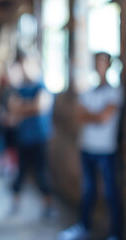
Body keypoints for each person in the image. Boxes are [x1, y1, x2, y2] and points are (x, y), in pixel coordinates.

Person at [58, 52, 123, 240]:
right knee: (88, 191)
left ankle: (116, 233)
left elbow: (104, 118)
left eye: (102, 63)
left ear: (108, 66)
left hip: (106, 150)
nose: (99, 66)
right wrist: (95, 115)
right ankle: (84, 225)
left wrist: (91, 115)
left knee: (111, 193)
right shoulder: (88, 92)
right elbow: (80, 116)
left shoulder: (115, 92)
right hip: (87, 147)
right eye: (96, 63)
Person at [7, 49, 54, 217]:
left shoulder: (41, 86)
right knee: (20, 172)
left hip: (39, 137)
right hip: (24, 137)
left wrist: (23, 108)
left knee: (42, 173)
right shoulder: (20, 88)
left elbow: (40, 106)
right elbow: (13, 108)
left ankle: (48, 205)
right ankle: (15, 202)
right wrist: (29, 106)